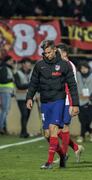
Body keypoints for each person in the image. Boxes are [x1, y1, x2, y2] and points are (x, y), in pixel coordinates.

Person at [26, 40, 79, 169]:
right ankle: (62, 156)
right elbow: (33, 83)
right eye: (45, 53)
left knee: (53, 128)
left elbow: (72, 85)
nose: (47, 55)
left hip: (59, 101)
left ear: (55, 50)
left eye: (49, 52)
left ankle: (49, 162)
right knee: (47, 134)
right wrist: (29, 97)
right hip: (45, 101)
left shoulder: (64, 65)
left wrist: (76, 104)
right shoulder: (39, 65)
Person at [56, 43, 84, 162]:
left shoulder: (69, 65)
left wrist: (73, 104)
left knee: (64, 127)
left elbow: (73, 86)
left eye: (58, 52)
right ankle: (77, 148)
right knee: (56, 130)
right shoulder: (59, 65)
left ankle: (64, 155)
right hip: (59, 100)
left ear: (64, 53)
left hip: (68, 101)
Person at [76, 61, 92, 143]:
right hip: (79, 101)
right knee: (81, 120)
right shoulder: (77, 75)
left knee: (87, 120)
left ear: (88, 68)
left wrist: (91, 99)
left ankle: (82, 136)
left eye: (85, 68)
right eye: (82, 68)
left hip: (89, 101)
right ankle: (91, 131)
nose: (84, 70)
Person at [14, 58, 33, 138]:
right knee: (24, 114)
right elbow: (19, 86)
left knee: (27, 114)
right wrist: (30, 85)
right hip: (21, 97)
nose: (29, 66)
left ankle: (23, 131)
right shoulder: (17, 73)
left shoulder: (32, 73)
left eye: (29, 64)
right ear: (23, 64)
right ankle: (24, 132)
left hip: (31, 97)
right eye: (27, 64)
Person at [0, 56, 15, 135]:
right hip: (4, 91)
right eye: (11, 61)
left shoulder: (6, 68)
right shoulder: (4, 68)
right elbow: (2, 80)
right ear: (7, 61)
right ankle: (1, 127)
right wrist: (11, 79)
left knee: (5, 110)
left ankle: (3, 127)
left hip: (7, 91)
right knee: (4, 109)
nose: (12, 62)